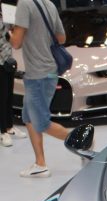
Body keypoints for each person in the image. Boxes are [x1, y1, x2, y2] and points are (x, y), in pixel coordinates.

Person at [9, 0, 69, 178]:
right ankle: (40, 163)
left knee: (41, 123)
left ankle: (82, 140)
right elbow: (62, 38)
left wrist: (9, 33)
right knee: (28, 117)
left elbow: (16, 43)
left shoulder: (24, 4)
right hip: (48, 71)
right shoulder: (49, 4)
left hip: (38, 75)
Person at [0, 5, 26, 148]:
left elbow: (10, 34)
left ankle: (9, 126)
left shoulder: (5, 11)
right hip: (1, 61)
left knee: (8, 95)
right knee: (2, 97)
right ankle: (2, 131)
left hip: (8, 60)